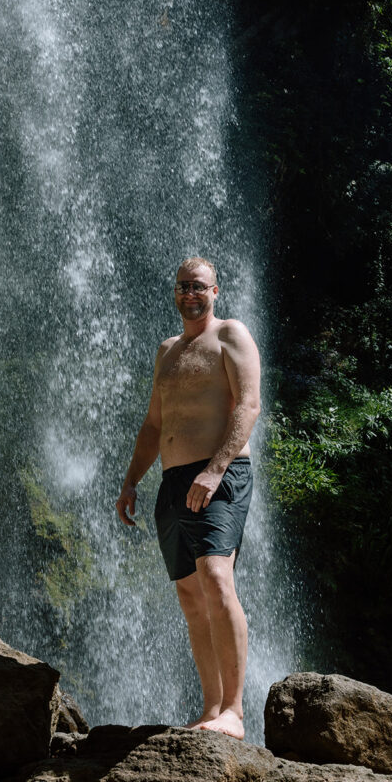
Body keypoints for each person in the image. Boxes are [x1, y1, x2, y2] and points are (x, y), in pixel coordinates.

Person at [116, 256, 260, 740]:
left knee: (217, 577)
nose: (189, 294)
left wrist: (217, 468)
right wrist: (132, 480)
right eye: (182, 286)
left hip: (219, 474)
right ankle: (212, 706)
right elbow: (155, 425)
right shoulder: (167, 350)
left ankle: (236, 712)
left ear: (215, 291)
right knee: (190, 595)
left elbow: (248, 405)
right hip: (174, 483)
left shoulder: (230, 335)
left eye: (198, 286)